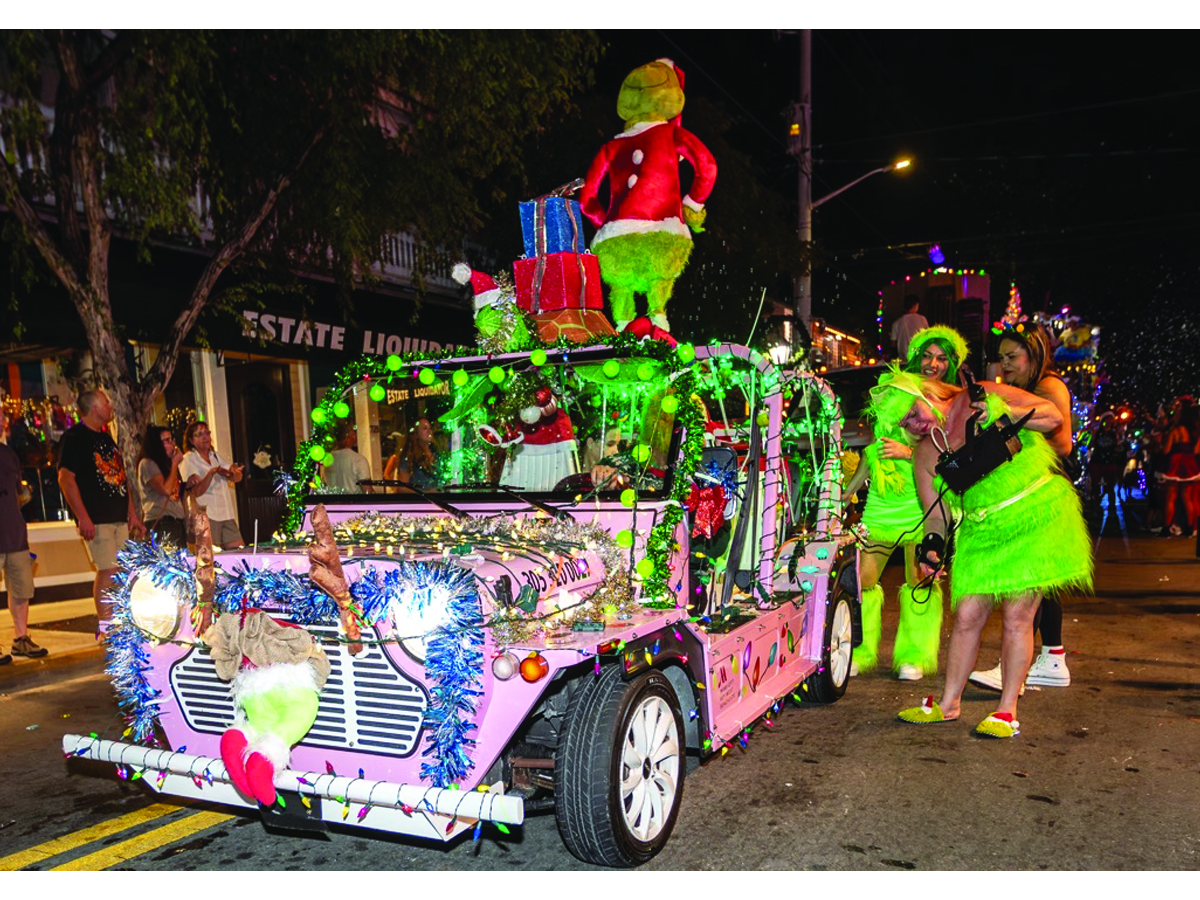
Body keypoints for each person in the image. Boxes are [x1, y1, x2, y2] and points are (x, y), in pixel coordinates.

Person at [872, 368, 1091, 738]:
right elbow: (936, 517)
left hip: (1032, 516)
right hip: (982, 529)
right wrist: (931, 551)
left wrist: (1003, 415)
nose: (914, 424)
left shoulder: (981, 395)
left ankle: (1006, 711)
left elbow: (1053, 417)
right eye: (904, 423)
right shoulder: (925, 454)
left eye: (913, 412)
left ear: (926, 394)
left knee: (1019, 616)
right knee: (968, 614)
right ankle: (948, 705)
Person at [841, 325, 968, 681]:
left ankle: (915, 654)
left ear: (952, 362)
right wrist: (849, 489)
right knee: (862, 579)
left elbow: (953, 455)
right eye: (927, 355)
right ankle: (859, 650)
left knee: (921, 580)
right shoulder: (894, 390)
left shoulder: (955, 400)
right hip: (882, 502)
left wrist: (909, 451)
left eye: (942, 358)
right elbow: (876, 446)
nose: (933, 364)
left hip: (921, 503)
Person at [970, 324, 1076, 690]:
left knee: (1028, 581)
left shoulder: (1049, 387)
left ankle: (1017, 665)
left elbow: (1063, 443)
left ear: (1035, 355)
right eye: (1001, 358)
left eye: (1012, 357)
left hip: (1046, 488)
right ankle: (1051, 658)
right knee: (1039, 580)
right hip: (1036, 490)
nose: (1005, 364)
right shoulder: (1032, 389)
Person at [56, 389, 147, 624]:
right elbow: (66, 478)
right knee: (107, 569)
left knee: (122, 569)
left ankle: (122, 619)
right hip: (97, 518)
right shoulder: (74, 438)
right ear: (94, 408)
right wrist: (82, 517)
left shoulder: (106, 437)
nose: (110, 406)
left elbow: (120, 478)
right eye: (106, 402)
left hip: (118, 515)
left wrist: (132, 514)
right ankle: (106, 625)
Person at [1, 406, 48, 662]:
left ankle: (21, 639)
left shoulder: (8, 454)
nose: (1, 421)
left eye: (1, 417)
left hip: (13, 531)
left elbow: (19, 493)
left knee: (21, 588)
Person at [181, 421, 244, 549]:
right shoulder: (189, 458)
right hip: (208, 516)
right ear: (191, 440)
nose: (205, 437)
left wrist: (235, 473)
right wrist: (211, 473)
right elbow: (196, 491)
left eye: (207, 433)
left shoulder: (215, 455)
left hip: (226, 514)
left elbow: (235, 477)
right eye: (199, 434)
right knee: (212, 559)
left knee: (239, 553)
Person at [137, 424, 188, 546]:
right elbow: (165, 489)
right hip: (162, 522)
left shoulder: (167, 465)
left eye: (172, 439)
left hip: (177, 522)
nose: (172, 443)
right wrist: (175, 463)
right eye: (167, 440)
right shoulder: (147, 463)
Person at [1159, 399, 1199, 537]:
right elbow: (1196, 451)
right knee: (1187, 497)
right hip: (1189, 463)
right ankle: (1189, 528)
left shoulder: (1175, 431)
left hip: (1175, 463)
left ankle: (1166, 528)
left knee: (1170, 497)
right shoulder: (1194, 432)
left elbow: (1166, 450)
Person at [323, 425, 374, 493]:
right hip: (354, 502)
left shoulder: (327, 459)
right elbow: (367, 491)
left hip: (333, 502)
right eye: (354, 432)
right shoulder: (358, 460)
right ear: (349, 435)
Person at [395, 418, 439, 490]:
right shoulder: (409, 458)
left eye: (430, 428)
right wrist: (426, 494)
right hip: (421, 500)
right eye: (425, 428)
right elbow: (402, 489)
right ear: (416, 434)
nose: (429, 431)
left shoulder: (437, 454)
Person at [890, 295, 929, 361]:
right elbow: (928, 336)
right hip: (919, 356)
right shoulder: (922, 319)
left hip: (904, 358)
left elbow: (893, 344)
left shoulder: (896, 323)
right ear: (915, 306)